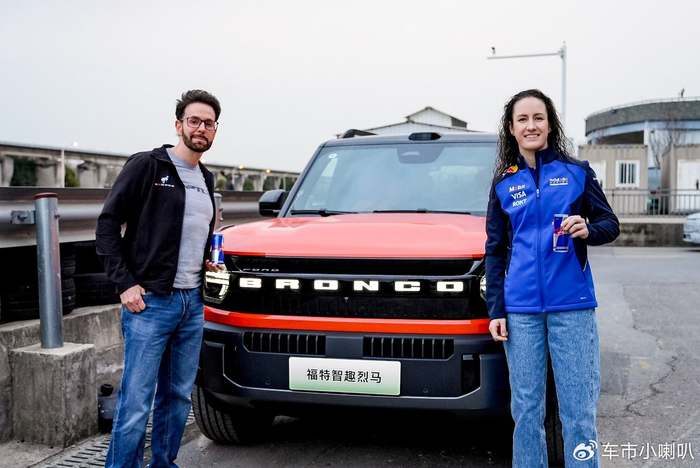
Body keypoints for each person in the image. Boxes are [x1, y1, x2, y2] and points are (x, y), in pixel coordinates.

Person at [485, 89, 619, 467]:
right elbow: (494, 251)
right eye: (522, 119)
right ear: (511, 128)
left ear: (549, 124)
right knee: (526, 412)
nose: (531, 125)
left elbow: (610, 223)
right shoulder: (503, 184)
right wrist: (496, 310)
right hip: (520, 312)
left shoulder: (576, 172)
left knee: (578, 410)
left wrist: (588, 229)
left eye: (538, 118)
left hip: (572, 307)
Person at [96, 89, 225, 468]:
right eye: (194, 121)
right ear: (178, 125)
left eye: (209, 123)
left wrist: (207, 262)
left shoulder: (206, 178)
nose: (201, 128)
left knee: (178, 398)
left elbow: (189, 233)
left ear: (215, 130)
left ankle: (164, 464)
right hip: (150, 302)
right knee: (136, 401)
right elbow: (107, 225)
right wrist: (124, 283)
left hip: (192, 303)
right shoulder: (148, 165)